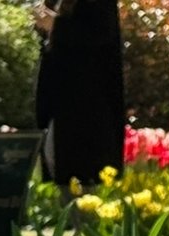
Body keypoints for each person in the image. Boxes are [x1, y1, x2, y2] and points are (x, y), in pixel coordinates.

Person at [34, 0, 124, 195]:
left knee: (79, 167)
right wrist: (44, 25)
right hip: (59, 93)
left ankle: (82, 219)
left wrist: (55, 25)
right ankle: (71, 216)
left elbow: (99, 33)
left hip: (87, 98)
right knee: (56, 159)